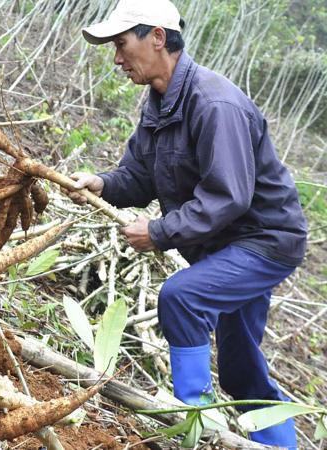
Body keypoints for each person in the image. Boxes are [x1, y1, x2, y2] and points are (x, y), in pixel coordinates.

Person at [69, 0, 308, 448]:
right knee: (241, 373)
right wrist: (100, 182)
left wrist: (158, 233)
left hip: (263, 242)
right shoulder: (158, 105)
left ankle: (190, 427)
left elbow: (228, 195)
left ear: (157, 36)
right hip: (223, 247)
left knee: (181, 297)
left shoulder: (215, 103)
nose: (117, 58)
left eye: (121, 44)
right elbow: (140, 177)